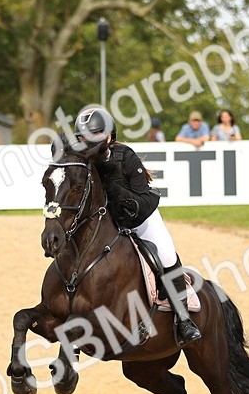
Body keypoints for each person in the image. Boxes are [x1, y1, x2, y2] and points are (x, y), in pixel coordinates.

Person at [74, 106, 201, 348]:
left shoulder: (126, 156)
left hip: (141, 218)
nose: (88, 143)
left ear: (109, 135)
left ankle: (184, 320)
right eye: (83, 138)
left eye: (95, 136)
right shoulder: (82, 164)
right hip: (108, 224)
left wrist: (113, 190)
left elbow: (144, 200)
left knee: (165, 254)